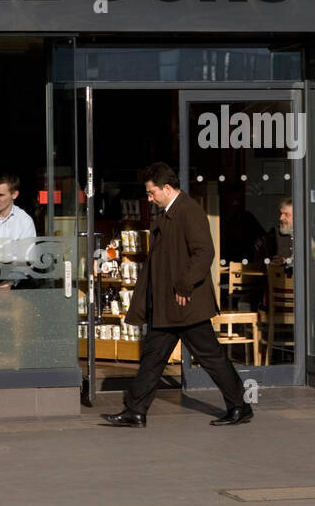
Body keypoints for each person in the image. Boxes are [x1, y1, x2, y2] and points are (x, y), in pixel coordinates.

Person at [103, 163, 250, 428]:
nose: (149, 198)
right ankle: (135, 410)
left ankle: (239, 405)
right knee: (153, 357)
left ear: (167, 188)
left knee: (210, 356)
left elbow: (204, 252)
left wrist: (184, 285)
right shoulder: (171, 212)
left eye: (151, 193)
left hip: (185, 304)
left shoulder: (188, 212)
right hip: (168, 305)